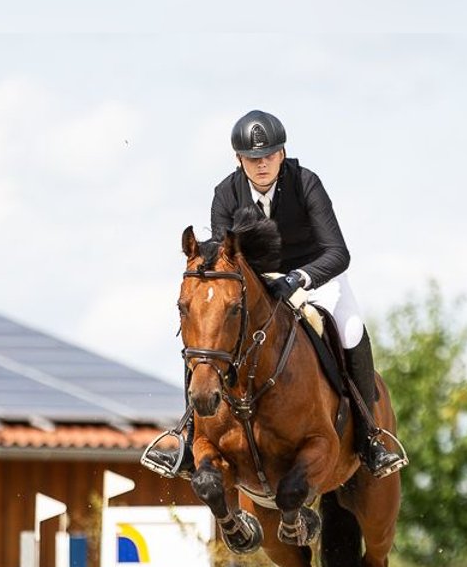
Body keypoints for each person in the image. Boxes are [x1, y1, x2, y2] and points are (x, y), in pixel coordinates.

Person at [143, 109, 406, 481]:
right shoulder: (226, 193)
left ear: (282, 154)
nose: (262, 163)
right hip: (258, 282)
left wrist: (298, 278)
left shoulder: (306, 184)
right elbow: (225, 259)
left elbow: (338, 253)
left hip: (316, 275)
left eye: (269, 155)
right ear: (240, 160)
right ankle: (189, 437)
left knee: (351, 329)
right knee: (208, 334)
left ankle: (368, 437)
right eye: (253, 158)